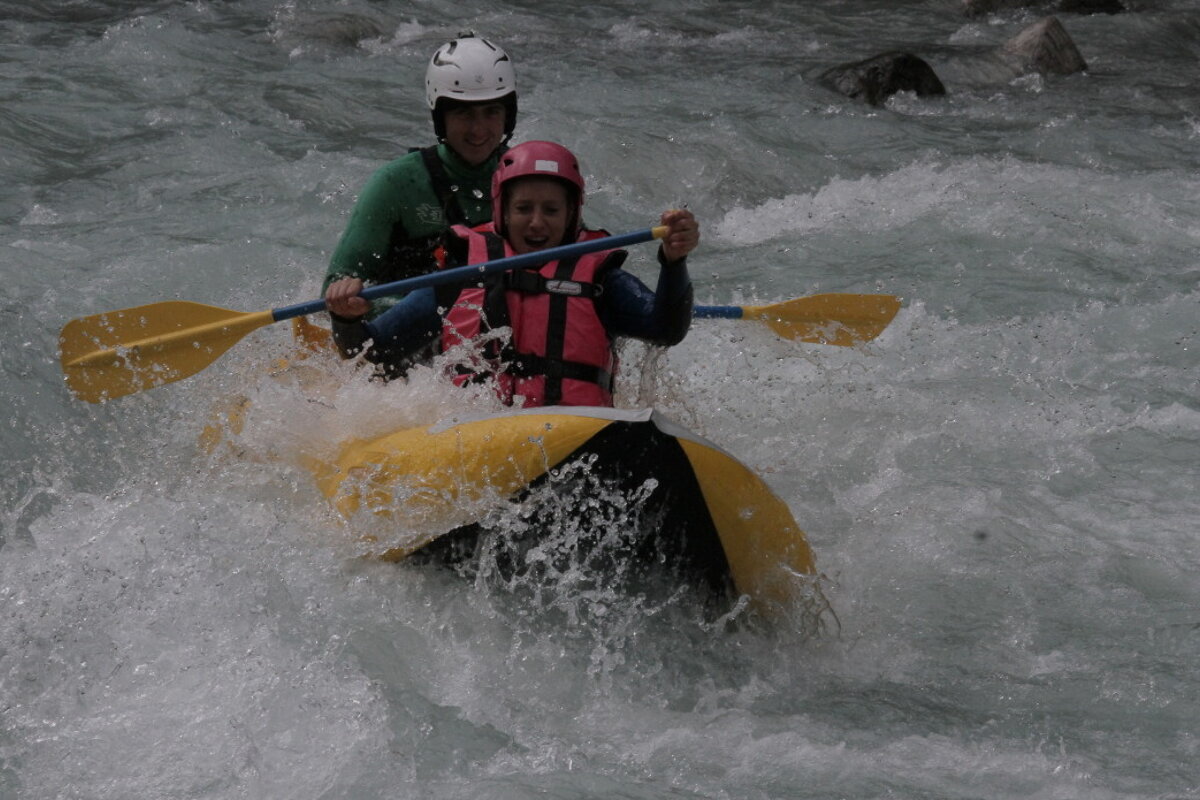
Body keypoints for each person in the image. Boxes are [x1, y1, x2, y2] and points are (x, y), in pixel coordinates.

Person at [335, 140, 699, 408]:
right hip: (478, 440)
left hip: (578, 438)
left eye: (551, 210)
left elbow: (666, 329)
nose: (537, 222)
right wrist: (345, 317)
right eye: (524, 208)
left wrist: (673, 262)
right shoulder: (462, 277)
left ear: (572, 215)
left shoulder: (601, 279)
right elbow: (374, 351)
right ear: (502, 212)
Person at [323, 32, 519, 373]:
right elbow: (338, 280)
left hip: (497, 340)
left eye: (491, 112)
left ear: (508, 115)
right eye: (463, 113)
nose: (478, 129)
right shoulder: (396, 184)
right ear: (440, 117)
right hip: (405, 343)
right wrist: (358, 305)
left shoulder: (528, 179)